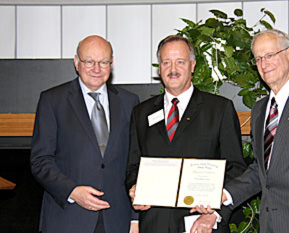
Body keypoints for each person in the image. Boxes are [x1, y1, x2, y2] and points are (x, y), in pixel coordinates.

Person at [192, 29, 289, 233]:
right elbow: (261, 172)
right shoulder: (260, 109)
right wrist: (222, 195)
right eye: (258, 59)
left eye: (269, 55)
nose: (264, 64)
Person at [125, 35, 247, 233]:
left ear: (192, 65)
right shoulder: (141, 113)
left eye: (180, 62)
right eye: (166, 62)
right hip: (154, 224)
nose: (173, 69)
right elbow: (133, 167)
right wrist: (134, 189)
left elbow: (236, 168)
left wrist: (215, 212)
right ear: (159, 68)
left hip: (201, 224)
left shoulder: (219, 109)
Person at [30, 35, 139, 233]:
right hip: (68, 218)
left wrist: (135, 219)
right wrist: (72, 191)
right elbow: (40, 160)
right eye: (89, 61)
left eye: (103, 62)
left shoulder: (129, 102)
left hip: (117, 220)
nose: (96, 69)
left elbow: (136, 162)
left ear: (111, 63)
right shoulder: (52, 101)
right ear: (76, 62)